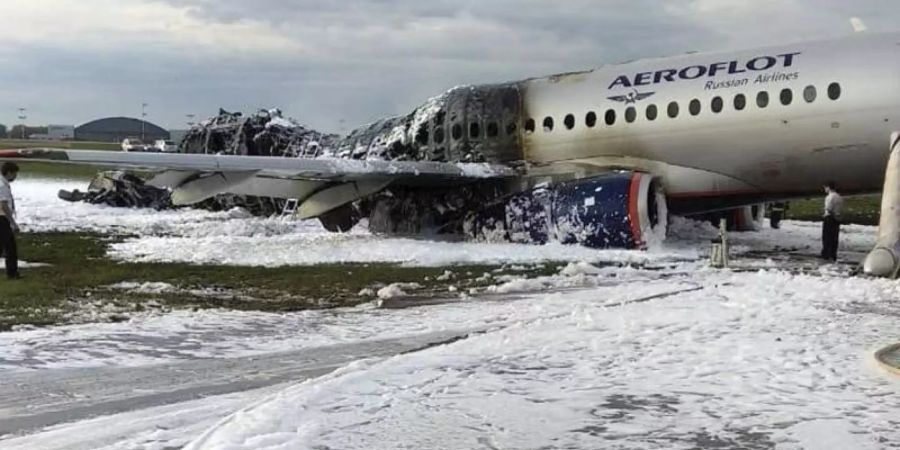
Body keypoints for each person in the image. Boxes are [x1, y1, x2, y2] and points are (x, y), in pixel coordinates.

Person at [0, 162, 20, 279]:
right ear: (9, 173)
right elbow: (4, 205)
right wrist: (12, 222)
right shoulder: (2, 186)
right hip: (2, 219)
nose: (15, 177)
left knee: (3, 246)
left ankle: (12, 272)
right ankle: (12, 273)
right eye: (15, 174)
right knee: (10, 247)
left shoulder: (2, 183)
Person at [821, 182, 843, 262]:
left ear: (829, 188)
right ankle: (833, 254)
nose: (825, 189)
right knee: (834, 237)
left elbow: (829, 208)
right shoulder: (839, 197)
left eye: (825, 188)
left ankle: (826, 254)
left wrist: (827, 213)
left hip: (830, 218)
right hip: (837, 218)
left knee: (827, 237)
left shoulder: (829, 197)